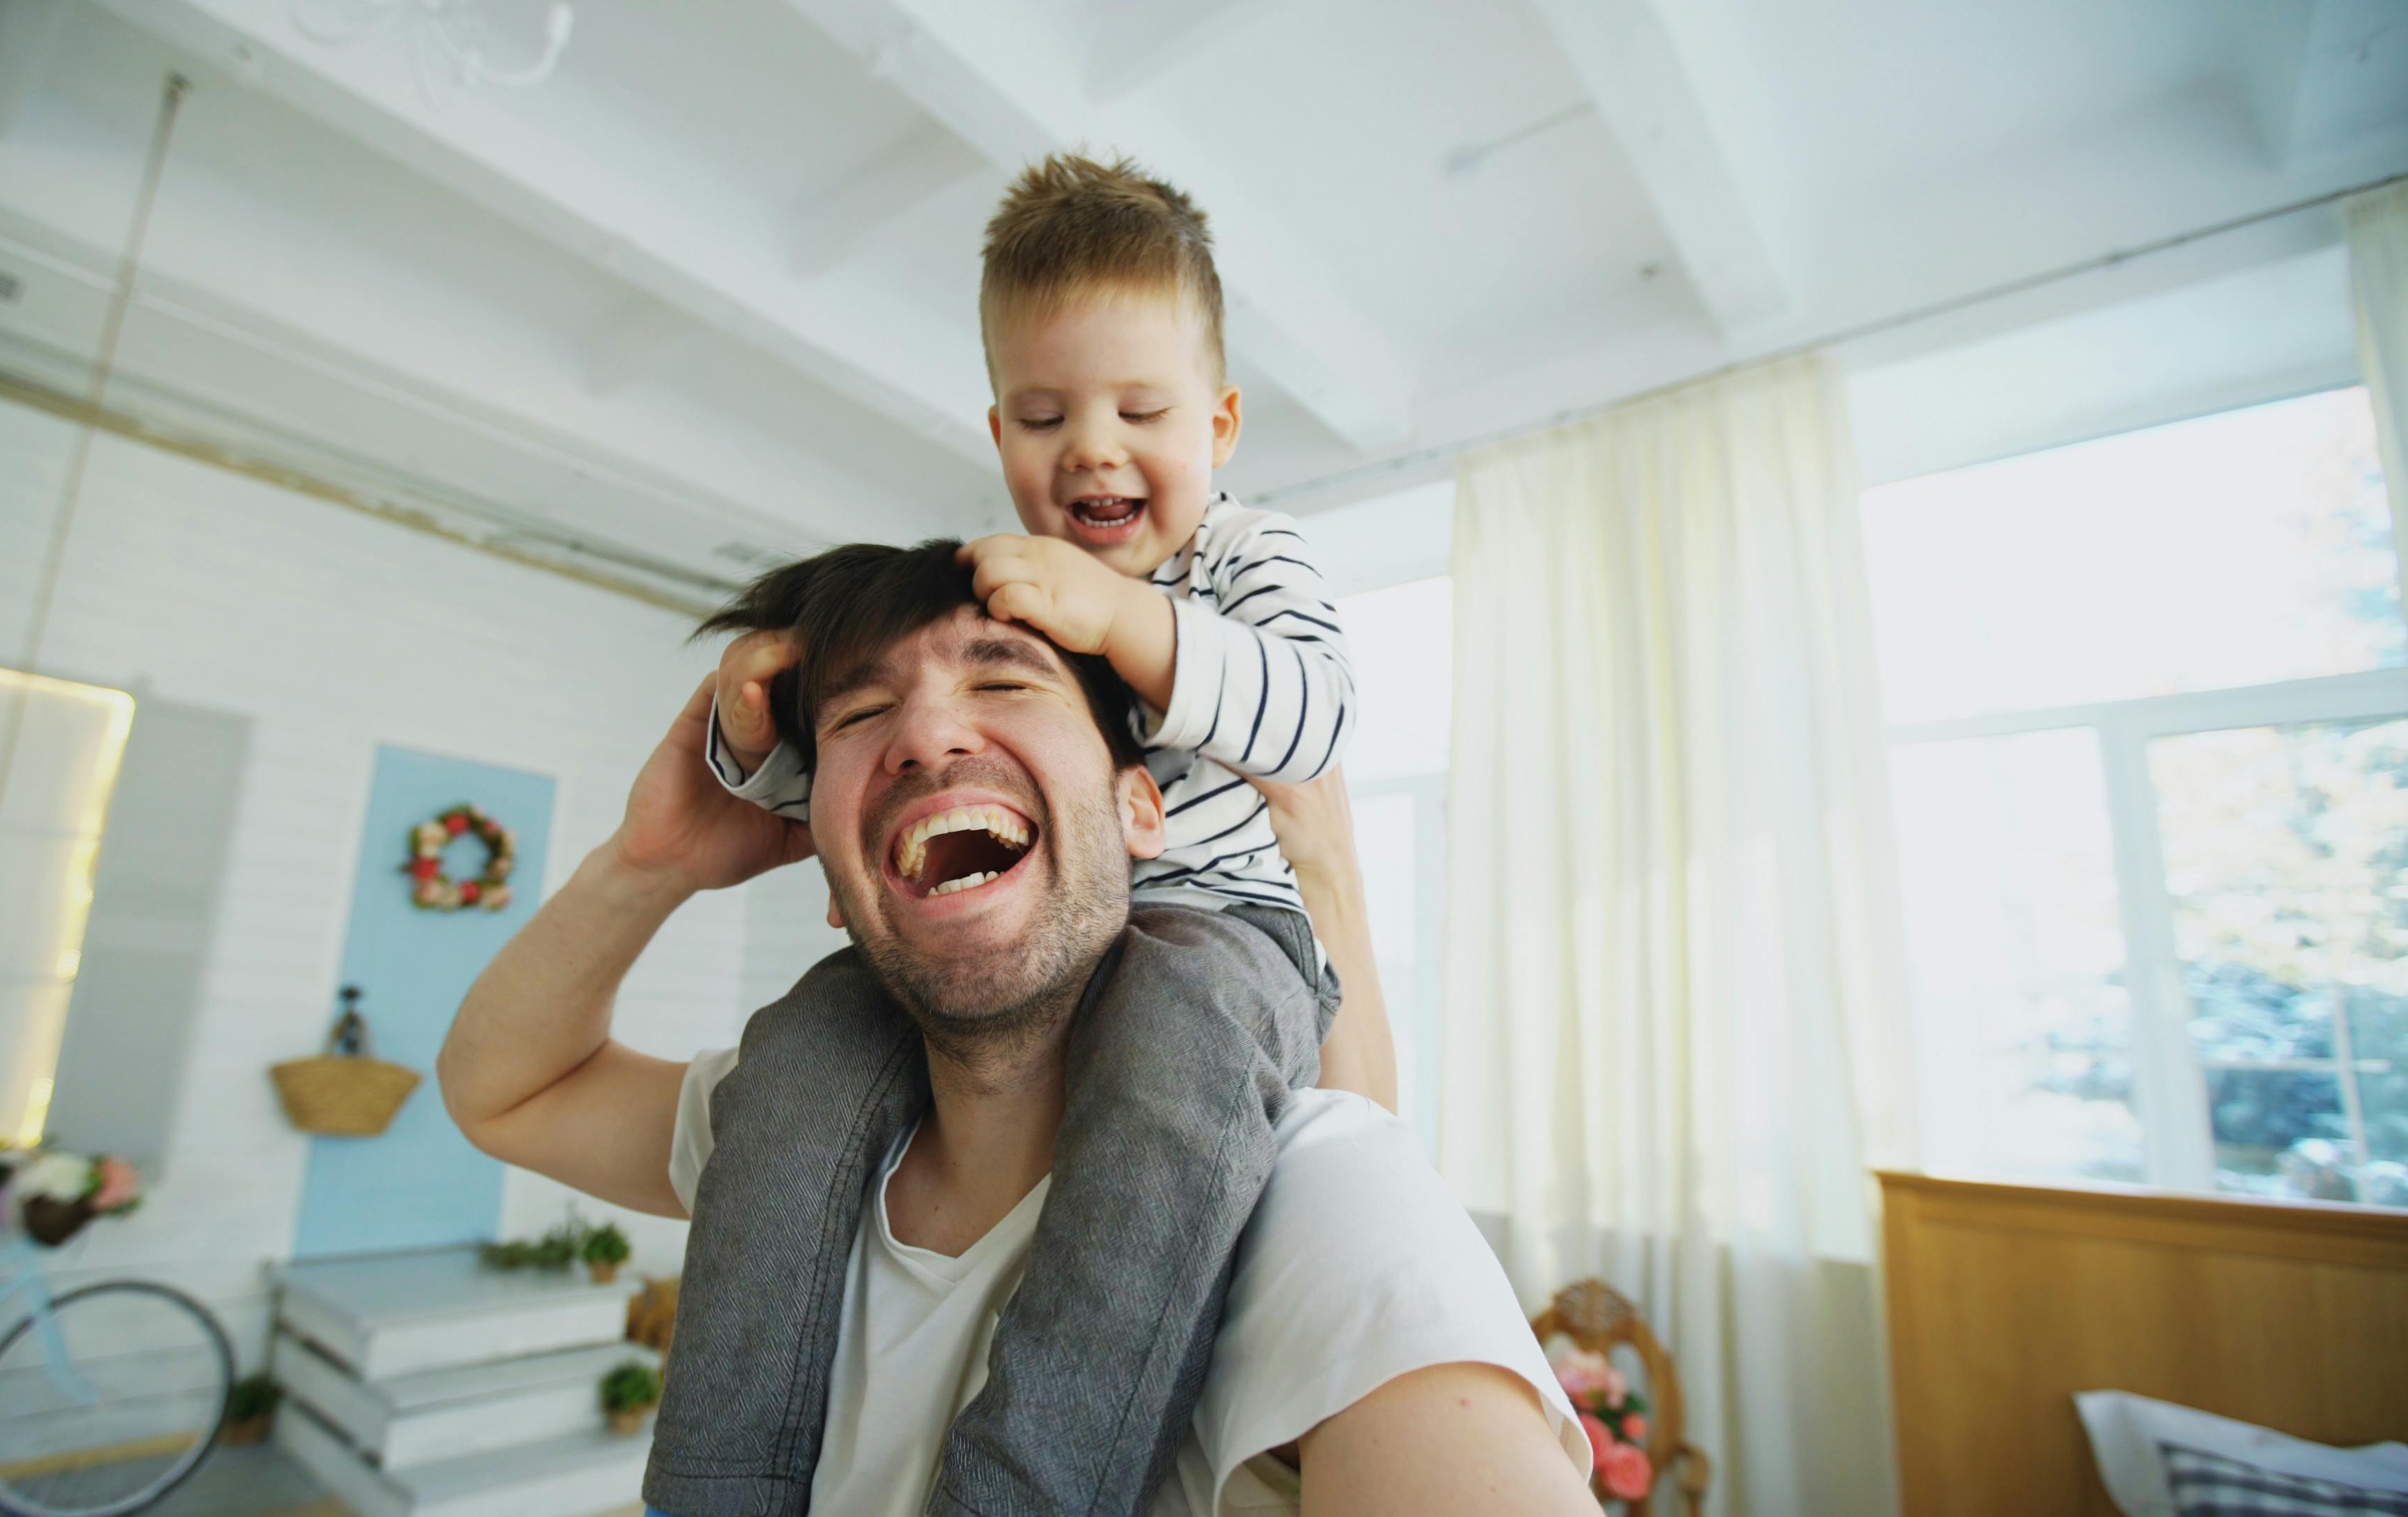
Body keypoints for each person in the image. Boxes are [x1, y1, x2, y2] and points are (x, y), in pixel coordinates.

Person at [438, 544, 1597, 1516]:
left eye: (1005, 682)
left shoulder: (1310, 1194)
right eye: (863, 710)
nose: (928, 737)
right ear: (835, 881)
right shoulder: (781, 1135)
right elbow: (505, 1090)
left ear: (1141, 809)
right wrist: (650, 862)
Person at [673, 152, 1370, 1516]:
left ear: (1220, 424)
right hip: (1042, 938)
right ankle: (714, 1479)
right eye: (1048, 415)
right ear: (1000, 437)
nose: (1095, 448)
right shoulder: (1012, 591)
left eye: (1142, 409)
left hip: (1223, 933)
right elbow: (878, 787)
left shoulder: (1244, 558)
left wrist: (1125, 623)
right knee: (801, 1053)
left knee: (1173, 1071)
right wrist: (749, 741)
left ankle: (1029, 1489)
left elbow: (1318, 723)